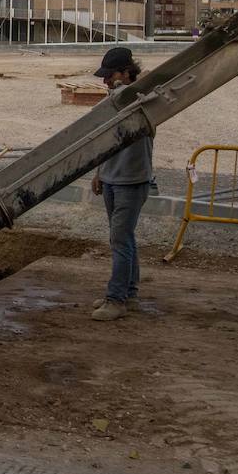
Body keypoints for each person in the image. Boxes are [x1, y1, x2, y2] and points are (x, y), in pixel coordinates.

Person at [88, 46, 154, 321]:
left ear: (127, 73)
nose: (105, 81)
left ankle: (116, 300)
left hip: (131, 180)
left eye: (110, 75)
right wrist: (100, 172)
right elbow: (106, 138)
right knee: (125, 239)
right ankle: (130, 294)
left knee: (120, 240)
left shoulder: (144, 98)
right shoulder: (115, 99)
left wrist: (119, 89)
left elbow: (131, 106)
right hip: (113, 178)